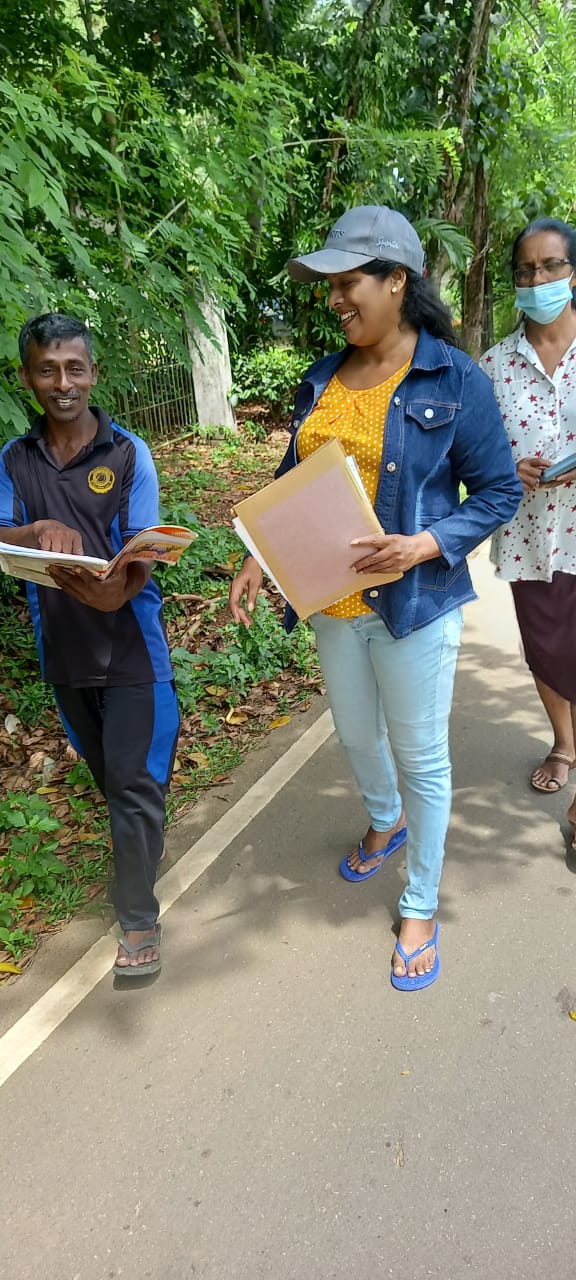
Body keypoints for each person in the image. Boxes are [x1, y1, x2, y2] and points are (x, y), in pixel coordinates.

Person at [229, 205, 523, 991]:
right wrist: (259, 556)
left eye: (347, 281)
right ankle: (385, 822)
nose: (334, 298)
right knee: (358, 739)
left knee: (422, 755)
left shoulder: (454, 378)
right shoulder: (320, 378)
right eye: (328, 286)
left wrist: (425, 543)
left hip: (414, 606)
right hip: (333, 604)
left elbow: (497, 494)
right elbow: (294, 480)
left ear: (399, 282)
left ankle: (421, 902)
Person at [0, 313, 180, 978]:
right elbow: (0, 531)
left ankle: (137, 921)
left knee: (132, 785)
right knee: (116, 784)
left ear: (93, 373)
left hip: (132, 651)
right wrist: (36, 529)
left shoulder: (129, 453)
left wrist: (112, 590)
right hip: (66, 658)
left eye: (74, 367)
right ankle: (144, 837)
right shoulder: (14, 461)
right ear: (28, 378)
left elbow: (144, 553)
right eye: (47, 369)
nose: (62, 381)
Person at [480, 217, 576, 812]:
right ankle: (564, 746)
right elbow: (478, 454)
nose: (536, 278)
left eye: (549, 267)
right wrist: (504, 472)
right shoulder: (492, 366)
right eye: (525, 270)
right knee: (544, 647)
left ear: (573, 274)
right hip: (530, 537)